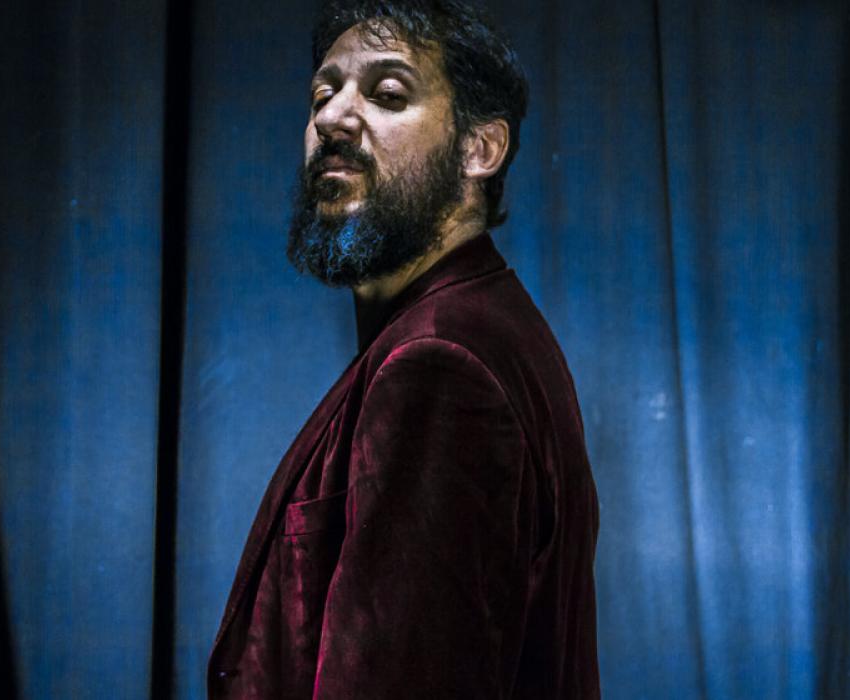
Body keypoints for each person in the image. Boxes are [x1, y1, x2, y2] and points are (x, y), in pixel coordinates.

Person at [207, 1, 599, 697]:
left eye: (387, 94)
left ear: (480, 150)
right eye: (322, 95)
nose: (333, 118)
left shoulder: (442, 364)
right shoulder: (478, 329)